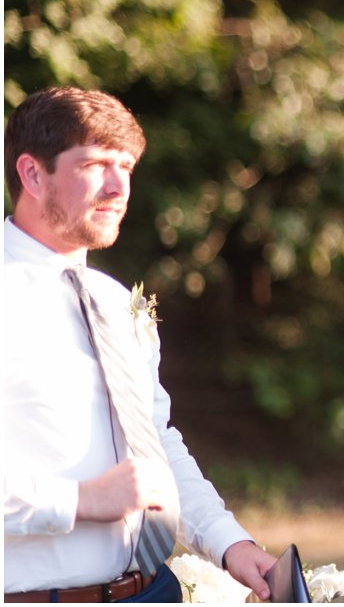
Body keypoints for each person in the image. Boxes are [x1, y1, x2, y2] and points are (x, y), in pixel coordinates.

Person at [4, 87, 278, 602]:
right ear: (33, 174)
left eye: (126, 166)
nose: (118, 186)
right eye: (96, 163)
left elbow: (154, 440)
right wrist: (79, 500)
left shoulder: (117, 303)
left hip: (154, 591)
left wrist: (228, 544)